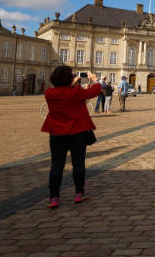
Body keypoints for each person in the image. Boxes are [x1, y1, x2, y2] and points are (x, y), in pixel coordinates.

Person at [41, 66, 101, 208]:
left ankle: (54, 197)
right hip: (77, 133)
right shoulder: (76, 93)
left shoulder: (49, 93)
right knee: (78, 164)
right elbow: (94, 91)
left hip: (56, 134)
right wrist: (95, 80)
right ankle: (79, 193)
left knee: (57, 165)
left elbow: (63, 91)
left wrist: (72, 83)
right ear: (69, 79)